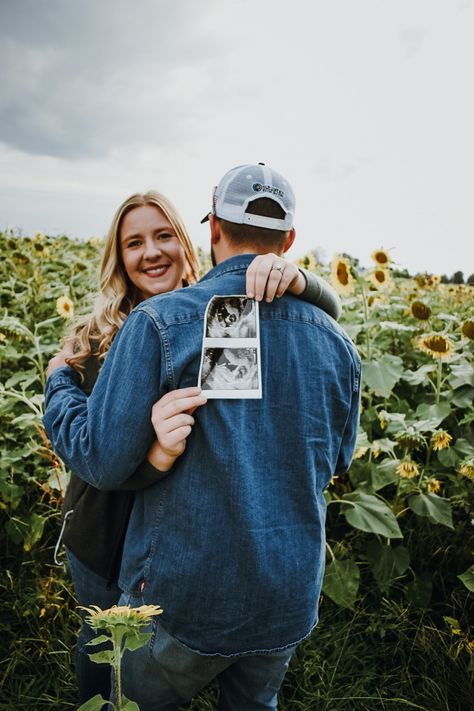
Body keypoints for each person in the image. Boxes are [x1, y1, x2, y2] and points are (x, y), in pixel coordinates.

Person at [44, 164, 360, 710]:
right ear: (288, 240)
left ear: (211, 228)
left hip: (189, 593)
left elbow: (101, 456)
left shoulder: (174, 321)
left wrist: (58, 384)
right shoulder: (337, 344)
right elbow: (335, 459)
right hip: (285, 592)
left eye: (163, 235)